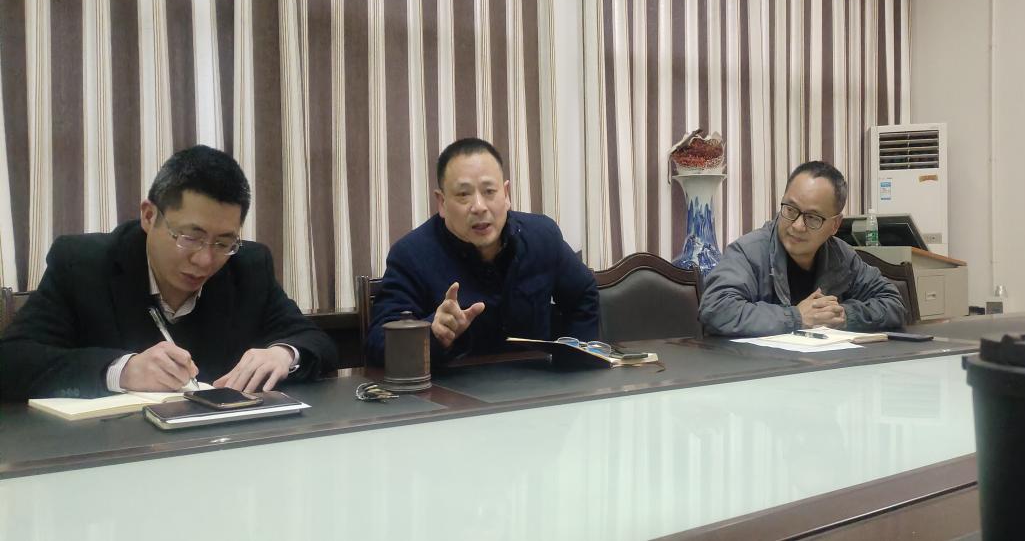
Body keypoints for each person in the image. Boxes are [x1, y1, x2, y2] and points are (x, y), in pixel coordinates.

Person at [0, 145, 337, 400]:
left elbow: (316, 342)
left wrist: (284, 354)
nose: (205, 260)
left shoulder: (248, 266)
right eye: (190, 237)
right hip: (114, 453)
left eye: (223, 242)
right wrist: (121, 371)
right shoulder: (83, 264)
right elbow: (13, 361)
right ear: (149, 216)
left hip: (221, 451)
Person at [366, 137, 598, 366]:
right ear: (442, 202)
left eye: (489, 191)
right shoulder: (411, 255)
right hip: (454, 388)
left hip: (537, 383)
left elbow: (583, 294)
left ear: (506, 194)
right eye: (463, 194)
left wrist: (574, 363)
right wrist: (433, 333)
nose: (479, 207)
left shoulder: (541, 236)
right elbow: (378, 342)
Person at [699, 161, 905, 336]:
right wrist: (797, 318)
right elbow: (716, 308)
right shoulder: (748, 252)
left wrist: (843, 315)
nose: (797, 226)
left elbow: (893, 303)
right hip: (759, 367)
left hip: (826, 366)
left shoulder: (842, 256)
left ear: (835, 225)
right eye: (790, 210)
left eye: (812, 218)